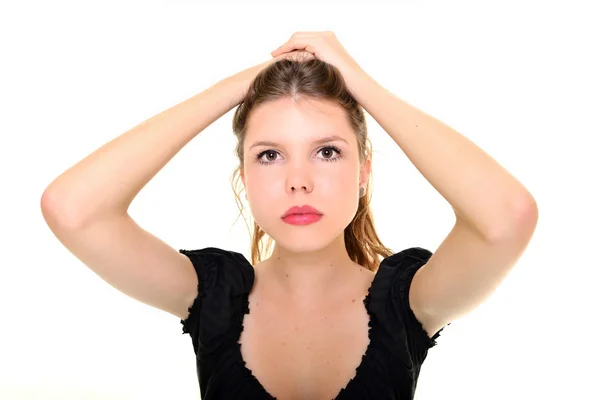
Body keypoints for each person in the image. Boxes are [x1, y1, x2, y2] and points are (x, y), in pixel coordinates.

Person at [41, 31, 538, 399]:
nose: (298, 180)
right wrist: (242, 84)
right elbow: (73, 209)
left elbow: (506, 217)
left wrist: (361, 84)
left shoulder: (406, 302)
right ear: (243, 176)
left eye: (326, 152)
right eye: (269, 155)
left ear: (363, 170)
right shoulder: (213, 296)